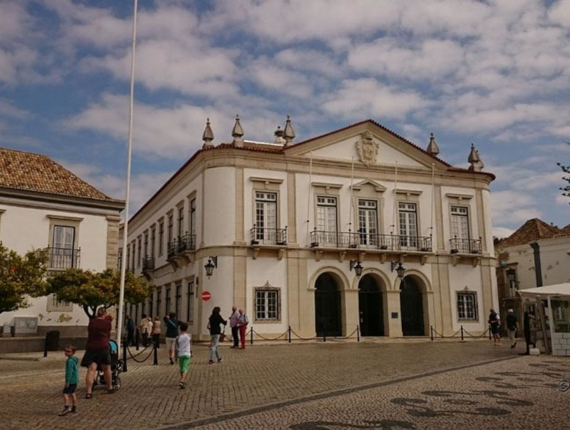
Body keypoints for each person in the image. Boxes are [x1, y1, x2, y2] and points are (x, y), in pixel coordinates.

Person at [81, 307, 114, 398]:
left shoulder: (92, 322)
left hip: (91, 346)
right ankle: (109, 387)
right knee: (107, 368)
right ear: (104, 314)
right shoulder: (107, 323)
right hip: (103, 346)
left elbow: (89, 333)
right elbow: (108, 334)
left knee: (91, 370)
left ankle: (89, 391)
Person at [59, 344, 79, 416]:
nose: (66, 352)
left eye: (68, 351)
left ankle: (66, 408)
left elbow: (69, 372)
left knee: (65, 394)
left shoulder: (69, 361)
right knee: (73, 393)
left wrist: (67, 381)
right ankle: (74, 407)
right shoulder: (74, 360)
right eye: (65, 351)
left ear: (72, 352)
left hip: (71, 380)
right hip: (75, 380)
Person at [175, 322, 192, 389]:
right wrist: (191, 352)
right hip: (187, 353)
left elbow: (176, 347)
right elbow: (191, 345)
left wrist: (176, 357)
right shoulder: (188, 336)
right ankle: (182, 380)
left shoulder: (178, 337)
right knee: (185, 368)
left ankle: (182, 380)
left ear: (180, 329)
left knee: (182, 368)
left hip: (180, 354)